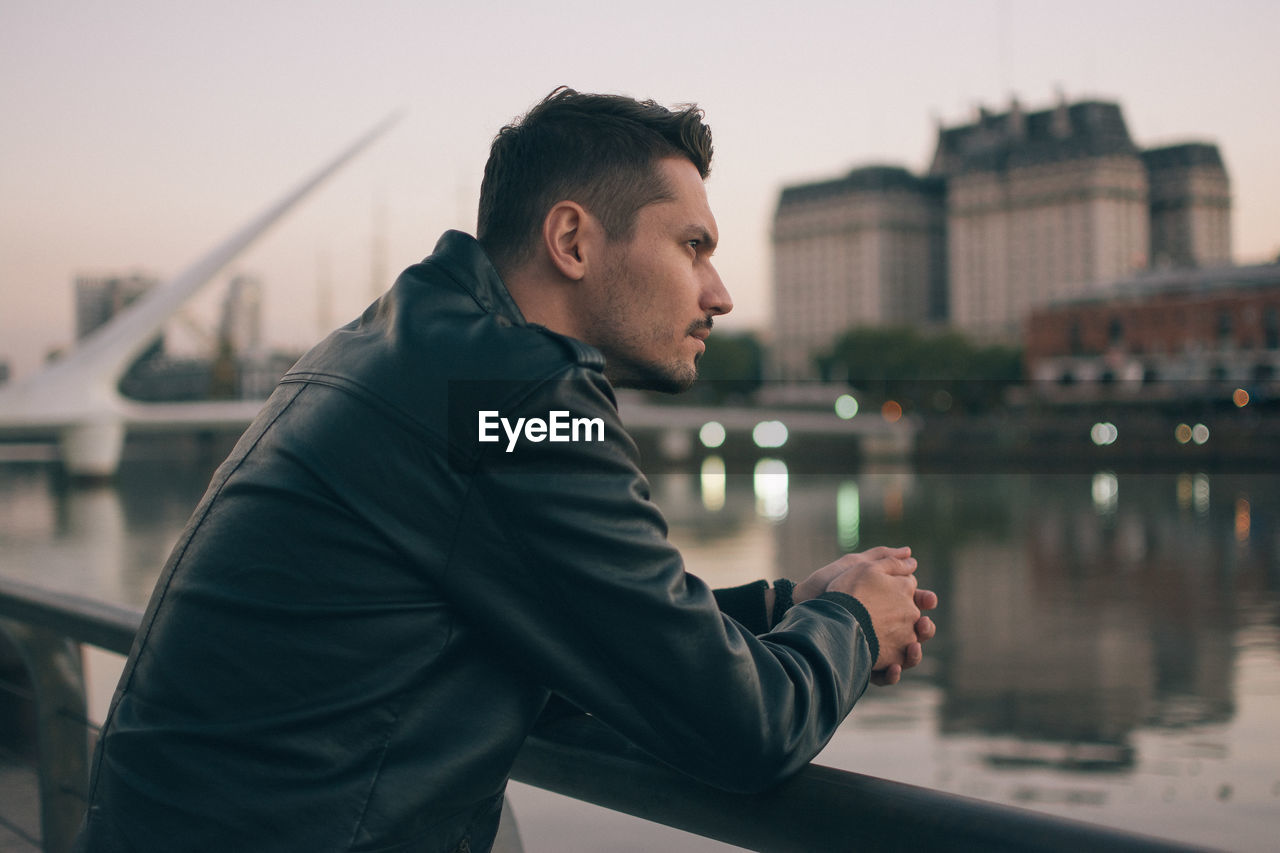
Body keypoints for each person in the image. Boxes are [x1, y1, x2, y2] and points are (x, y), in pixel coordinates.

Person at [76, 88, 937, 853]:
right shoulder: (516, 398)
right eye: (691, 245)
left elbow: (572, 623)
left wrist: (791, 607)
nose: (719, 294)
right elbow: (746, 730)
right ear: (572, 238)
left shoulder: (395, 347)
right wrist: (854, 626)